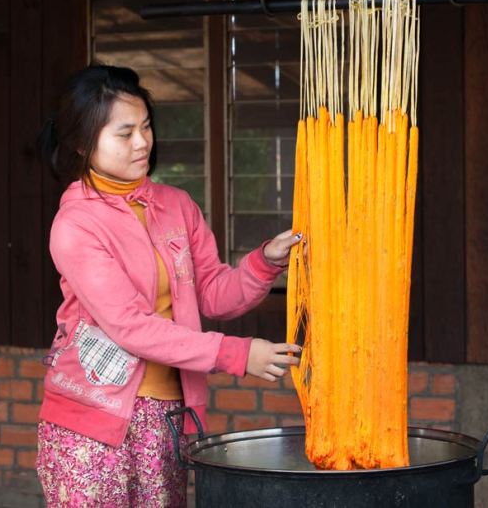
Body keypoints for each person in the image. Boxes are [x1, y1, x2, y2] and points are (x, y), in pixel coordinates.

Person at [35, 64, 302, 507]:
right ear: (83, 143)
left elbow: (212, 291)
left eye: (145, 127)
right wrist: (237, 354)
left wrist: (264, 263)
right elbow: (130, 327)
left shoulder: (176, 205)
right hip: (90, 421)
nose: (142, 142)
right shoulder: (76, 224)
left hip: (166, 414)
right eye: (124, 133)